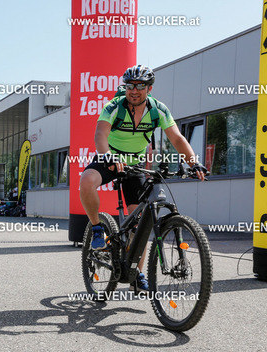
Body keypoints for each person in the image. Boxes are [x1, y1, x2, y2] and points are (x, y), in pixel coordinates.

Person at [78, 65, 207, 293]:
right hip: (110, 159)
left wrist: (193, 162)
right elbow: (100, 134)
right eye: (130, 86)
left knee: (139, 224)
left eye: (139, 86)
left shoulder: (158, 110)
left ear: (149, 88)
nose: (134, 90)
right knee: (86, 181)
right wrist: (107, 156)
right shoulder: (114, 107)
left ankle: (136, 274)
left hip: (134, 165)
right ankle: (97, 228)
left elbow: (177, 138)